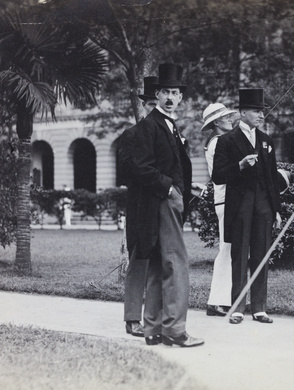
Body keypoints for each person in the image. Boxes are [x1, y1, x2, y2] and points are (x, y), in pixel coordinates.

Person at [127, 63, 204, 347]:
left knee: (160, 266)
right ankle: (175, 330)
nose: (171, 97)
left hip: (165, 201)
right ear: (156, 95)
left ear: (181, 97)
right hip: (162, 203)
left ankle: (154, 330)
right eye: (165, 92)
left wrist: (184, 187)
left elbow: (169, 165)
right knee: (176, 263)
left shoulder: (168, 126)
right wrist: (170, 189)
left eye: (175, 92)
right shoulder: (150, 126)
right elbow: (140, 168)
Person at [212, 88, 282, 325]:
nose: (261, 115)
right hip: (240, 205)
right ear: (242, 113)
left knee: (261, 254)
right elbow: (218, 176)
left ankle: (260, 307)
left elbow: (272, 177)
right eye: (255, 111)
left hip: (263, 205)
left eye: (262, 111)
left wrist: (277, 209)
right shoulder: (226, 140)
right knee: (240, 255)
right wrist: (240, 166)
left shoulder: (266, 141)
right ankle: (238, 306)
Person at [117, 76, 158, 338]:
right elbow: (126, 175)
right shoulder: (131, 136)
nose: (156, 108)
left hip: (164, 206)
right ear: (143, 106)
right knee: (139, 258)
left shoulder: (172, 136)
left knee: (162, 262)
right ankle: (133, 318)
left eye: (160, 103)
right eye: (151, 103)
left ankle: (156, 318)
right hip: (141, 205)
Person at [201, 103, 237, 317]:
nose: (230, 119)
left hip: (228, 199)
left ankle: (225, 299)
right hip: (226, 199)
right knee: (226, 249)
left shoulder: (220, 141)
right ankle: (216, 301)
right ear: (216, 122)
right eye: (226, 117)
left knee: (230, 250)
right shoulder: (217, 143)